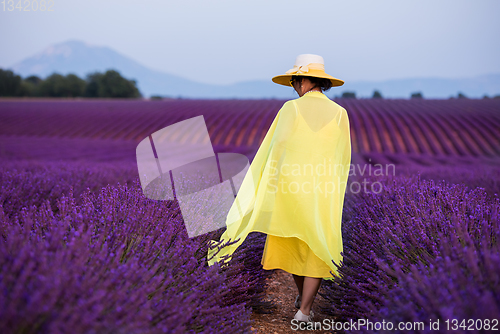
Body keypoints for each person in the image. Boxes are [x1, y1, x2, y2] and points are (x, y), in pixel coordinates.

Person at [207, 54, 351, 325]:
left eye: (296, 80)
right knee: (318, 242)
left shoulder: (291, 109)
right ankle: (304, 310)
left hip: (292, 187)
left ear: (306, 80)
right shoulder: (341, 114)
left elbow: (277, 148)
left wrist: (270, 182)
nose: (295, 85)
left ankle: (302, 300)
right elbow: (342, 158)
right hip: (323, 188)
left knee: (295, 240)